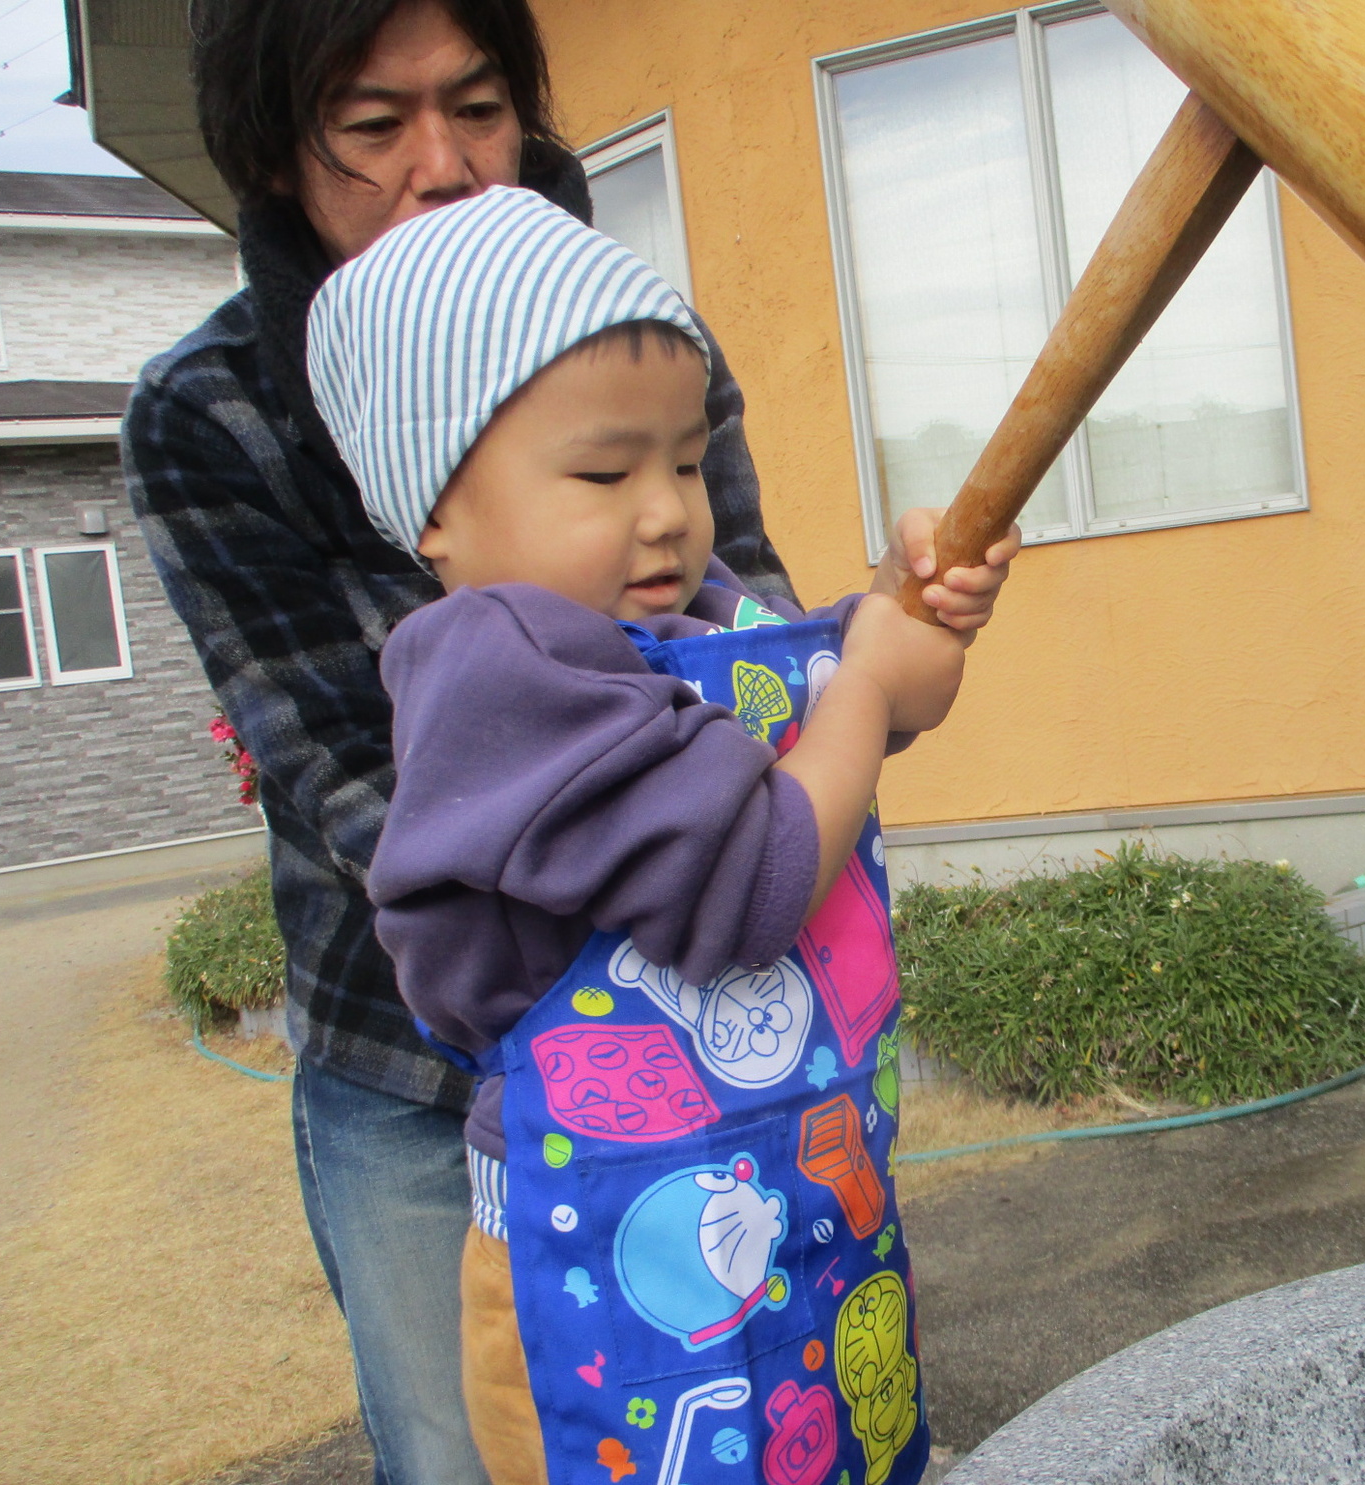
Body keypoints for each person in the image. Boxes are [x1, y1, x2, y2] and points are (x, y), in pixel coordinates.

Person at [122, 3, 792, 1479]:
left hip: (713, 1027)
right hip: (409, 1060)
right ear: (276, 154)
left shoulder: (638, 342)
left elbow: (750, 641)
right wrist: (721, 841)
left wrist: (821, 705)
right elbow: (357, 782)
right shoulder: (209, 413)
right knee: (464, 1448)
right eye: (372, 126)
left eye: (479, 107)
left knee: (760, 1414)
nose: (444, 164)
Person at [302, 185, 1016, 1484]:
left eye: (686, 461)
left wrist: (917, 620)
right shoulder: (498, 670)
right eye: (602, 470)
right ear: (437, 514)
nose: (669, 510)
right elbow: (757, 874)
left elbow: (878, 714)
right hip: (597, 1260)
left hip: (771, 1199)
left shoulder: (692, 622)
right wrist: (858, 678)